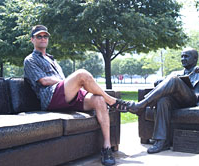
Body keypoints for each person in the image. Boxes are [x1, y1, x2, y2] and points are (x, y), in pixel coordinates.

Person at [24, 25, 127, 166]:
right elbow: (44, 80)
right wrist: (70, 82)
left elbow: (64, 83)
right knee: (82, 74)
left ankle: (107, 147)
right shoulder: (30, 60)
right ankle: (113, 101)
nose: (43, 38)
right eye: (39, 36)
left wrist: (72, 85)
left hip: (66, 96)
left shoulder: (52, 60)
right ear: (32, 40)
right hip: (50, 97)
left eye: (45, 36)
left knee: (99, 100)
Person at [124, 48, 199, 154]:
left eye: (186, 56)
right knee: (163, 101)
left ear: (195, 59)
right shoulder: (175, 73)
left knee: (174, 79)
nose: (183, 59)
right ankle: (162, 142)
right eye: (182, 56)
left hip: (192, 100)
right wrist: (164, 81)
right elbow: (157, 83)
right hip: (176, 101)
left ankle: (141, 105)